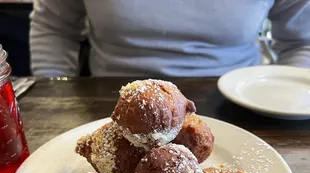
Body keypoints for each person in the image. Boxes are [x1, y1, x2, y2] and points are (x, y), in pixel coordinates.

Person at [30, 0, 310, 77]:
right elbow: (54, 26)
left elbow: (303, 42)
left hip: (238, 108)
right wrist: (54, 92)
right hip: (106, 103)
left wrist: (280, 100)